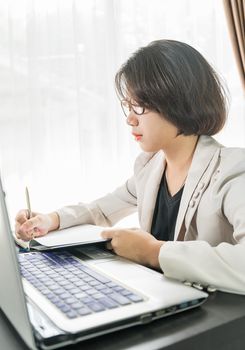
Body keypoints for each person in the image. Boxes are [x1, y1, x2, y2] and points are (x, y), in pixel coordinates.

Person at [15, 39, 245, 295]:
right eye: (128, 105)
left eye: (140, 106)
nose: (130, 118)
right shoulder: (150, 166)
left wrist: (154, 253)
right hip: (163, 299)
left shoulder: (234, 170)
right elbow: (100, 210)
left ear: (177, 102)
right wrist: (50, 220)